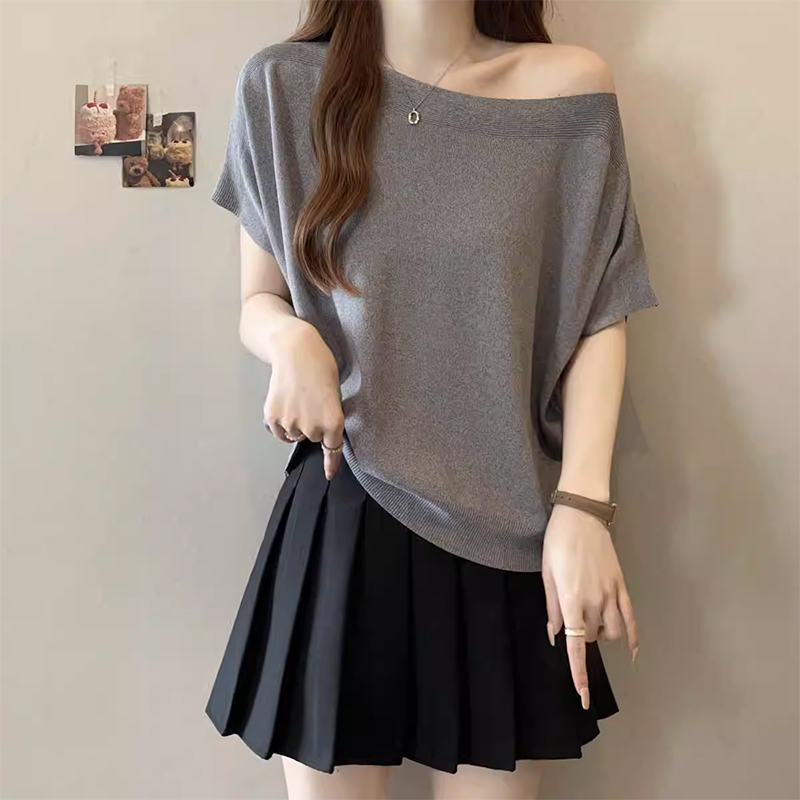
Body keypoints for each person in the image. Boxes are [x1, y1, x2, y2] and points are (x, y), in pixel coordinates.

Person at [205, 0, 659, 797]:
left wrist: (584, 506)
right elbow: (258, 298)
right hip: (345, 505)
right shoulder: (281, 85)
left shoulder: (568, 90)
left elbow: (598, 309)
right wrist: (290, 341)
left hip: (508, 522)